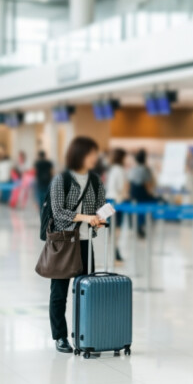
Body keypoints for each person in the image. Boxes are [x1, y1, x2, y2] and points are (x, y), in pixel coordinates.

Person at [47, 137, 108, 353]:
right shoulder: (61, 180)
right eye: (92, 153)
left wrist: (99, 219)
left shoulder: (95, 180)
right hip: (65, 242)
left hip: (85, 243)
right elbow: (58, 212)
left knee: (87, 291)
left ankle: (86, 332)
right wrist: (84, 217)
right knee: (59, 293)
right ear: (80, 154)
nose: (95, 158)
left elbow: (101, 205)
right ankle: (60, 337)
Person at [128, 149, 157, 239]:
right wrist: (151, 194)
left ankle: (136, 226)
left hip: (134, 193)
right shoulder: (146, 169)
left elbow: (129, 182)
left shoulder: (132, 169)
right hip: (142, 193)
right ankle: (143, 226)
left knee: (135, 210)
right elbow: (147, 184)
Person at [106, 148, 128, 264]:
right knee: (116, 229)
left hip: (110, 199)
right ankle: (115, 255)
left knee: (112, 229)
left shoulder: (112, 169)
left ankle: (115, 254)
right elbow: (120, 188)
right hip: (117, 201)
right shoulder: (120, 170)